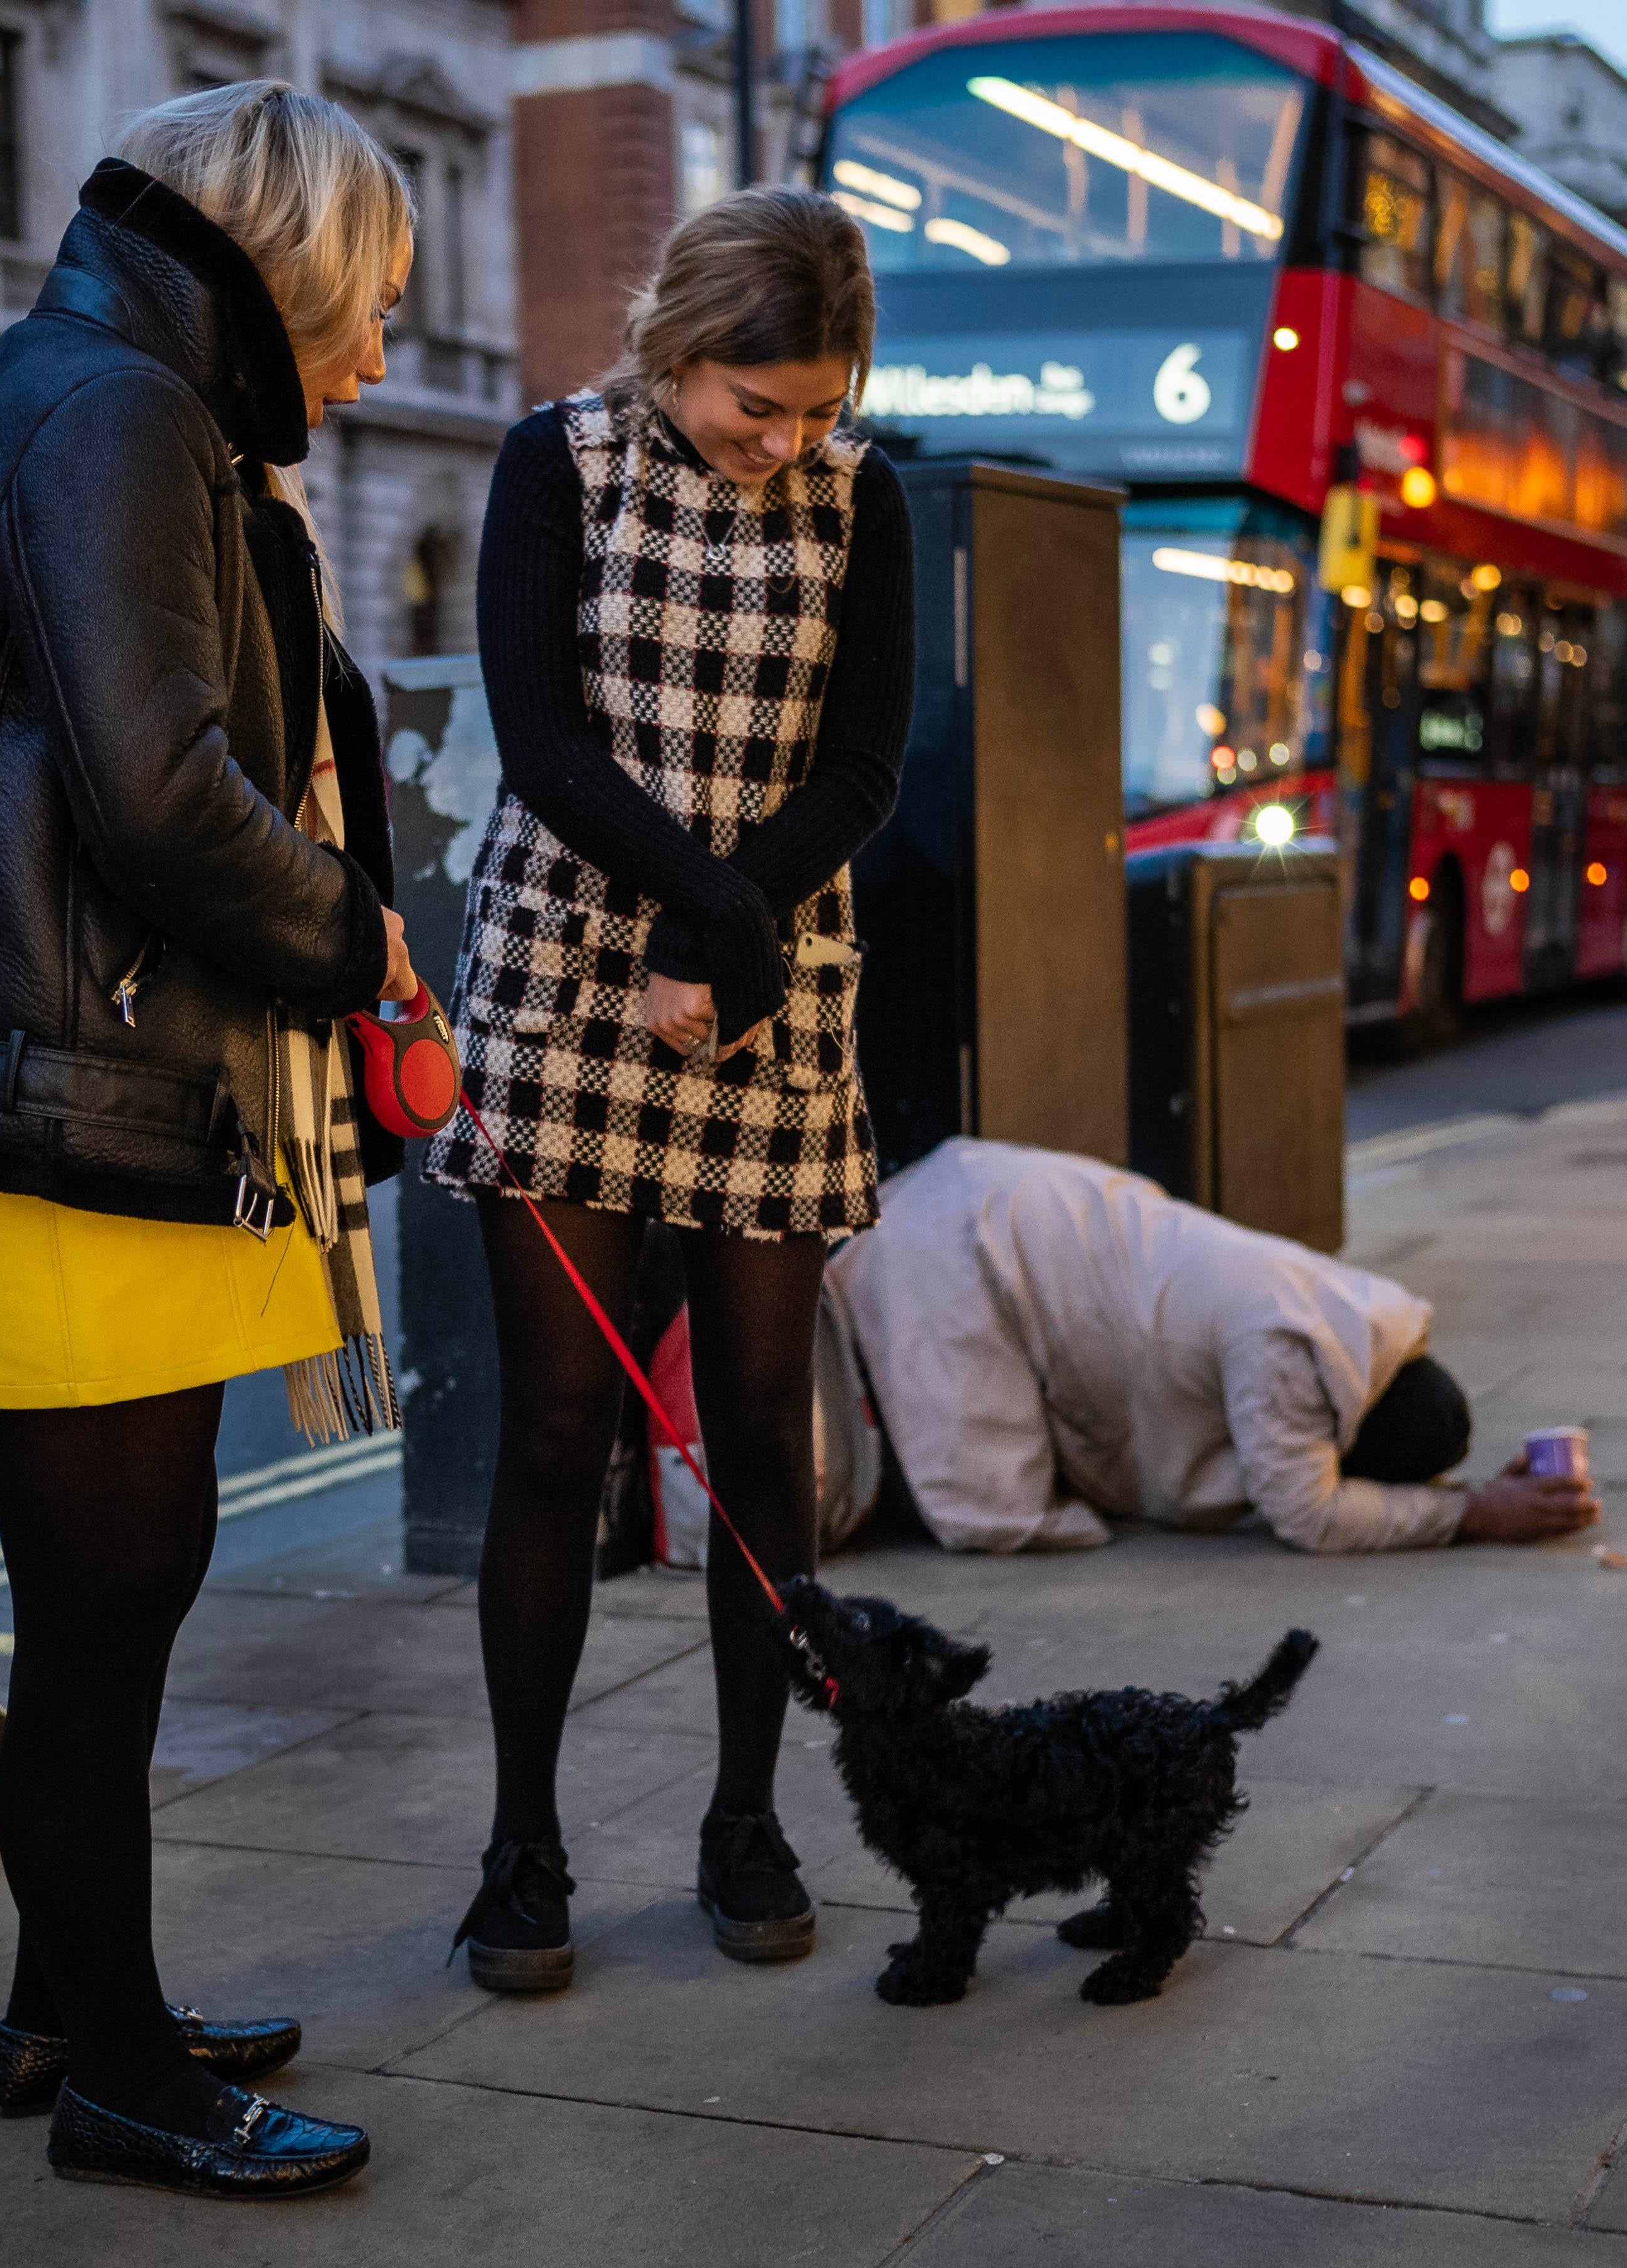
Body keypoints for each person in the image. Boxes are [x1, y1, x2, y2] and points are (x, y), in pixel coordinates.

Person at [0, 84, 419, 2199]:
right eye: (362, 313)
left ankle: (67, 2006)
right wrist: (366, 944)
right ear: (281, 274)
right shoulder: (113, 417)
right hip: (62, 1107)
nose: (369, 362)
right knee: (107, 1607)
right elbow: (165, 794)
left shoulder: (98, 394)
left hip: (69, 1093)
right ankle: (118, 2074)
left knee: (117, 1600)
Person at [425, 189, 914, 1987]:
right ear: (677, 349)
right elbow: (540, 737)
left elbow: (866, 762)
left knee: (763, 1433)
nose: (789, 444)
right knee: (561, 1431)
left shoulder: (870, 498)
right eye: (755, 404)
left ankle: (747, 1816)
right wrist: (704, 908)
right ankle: (523, 1846)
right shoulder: (557, 465)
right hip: (568, 977)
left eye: (818, 409)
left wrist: (737, 927)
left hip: (774, 985)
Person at [828, 1142, 1602, 1555]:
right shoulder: (1290, 1353)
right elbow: (1309, 1514)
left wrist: (1456, 1497)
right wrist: (1467, 1516)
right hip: (968, 1248)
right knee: (1000, 1509)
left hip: (996, 1196)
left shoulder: (1357, 1321)